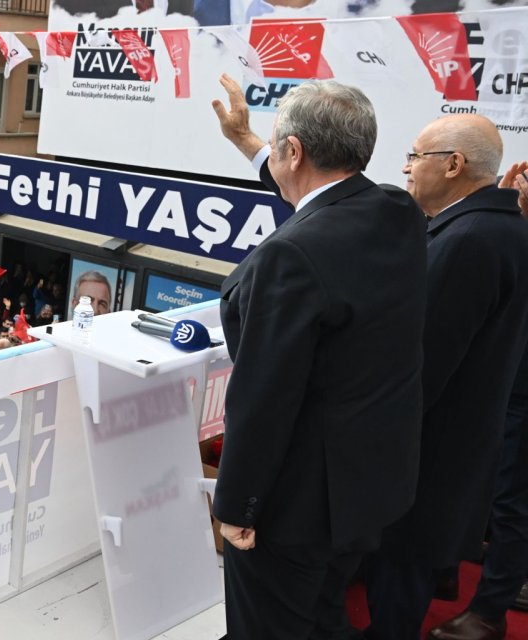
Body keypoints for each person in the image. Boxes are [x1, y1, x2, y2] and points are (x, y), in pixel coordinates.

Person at [209, 74, 427, 638]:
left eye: (280, 147)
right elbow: (313, 194)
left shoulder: (290, 256)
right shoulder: (397, 211)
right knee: (326, 616)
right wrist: (250, 142)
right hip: (370, 489)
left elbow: (263, 397)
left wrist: (236, 506)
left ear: (296, 151)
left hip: (297, 508)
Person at [362, 118, 528, 640]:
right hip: (460, 443)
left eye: (414, 156)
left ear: (453, 165)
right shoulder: (499, 226)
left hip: (429, 451)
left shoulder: (470, 239)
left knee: (402, 569)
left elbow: (424, 363)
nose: (406, 168)